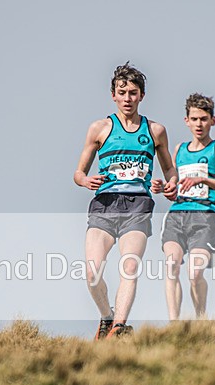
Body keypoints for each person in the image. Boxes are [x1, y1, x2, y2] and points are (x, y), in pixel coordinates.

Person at [74, 62, 178, 339]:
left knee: (129, 265)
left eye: (133, 92)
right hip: (105, 204)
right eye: (122, 92)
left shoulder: (155, 130)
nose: (128, 98)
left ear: (142, 95)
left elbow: (169, 169)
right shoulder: (99, 128)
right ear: (113, 95)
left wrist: (169, 185)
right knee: (92, 272)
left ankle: (119, 327)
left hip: (138, 205)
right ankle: (107, 317)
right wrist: (86, 181)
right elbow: (78, 172)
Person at [155, 93, 215, 320]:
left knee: (195, 272)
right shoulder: (180, 149)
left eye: (203, 118)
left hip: (205, 217)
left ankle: (201, 319)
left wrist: (204, 180)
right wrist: (164, 188)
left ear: (213, 120)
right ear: (186, 121)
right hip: (177, 215)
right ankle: (174, 323)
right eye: (194, 119)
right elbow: (174, 189)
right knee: (171, 266)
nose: (199, 124)